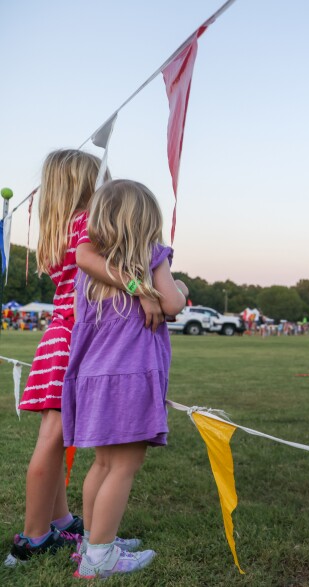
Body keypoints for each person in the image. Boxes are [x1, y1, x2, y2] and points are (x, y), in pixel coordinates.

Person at [5, 151, 161, 568]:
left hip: (59, 337)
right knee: (52, 438)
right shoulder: (83, 226)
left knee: (56, 438)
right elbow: (95, 261)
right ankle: (33, 538)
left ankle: (60, 522)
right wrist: (141, 286)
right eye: (101, 183)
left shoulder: (56, 228)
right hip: (74, 339)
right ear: (85, 185)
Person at [63, 179, 188, 578]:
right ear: (146, 221)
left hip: (93, 377)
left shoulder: (91, 269)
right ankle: (100, 558)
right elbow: (172, 304)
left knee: (101, 464)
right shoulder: (152, 257)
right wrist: (181, 286)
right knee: (124, 466)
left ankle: (92, 542)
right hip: (129, 377)